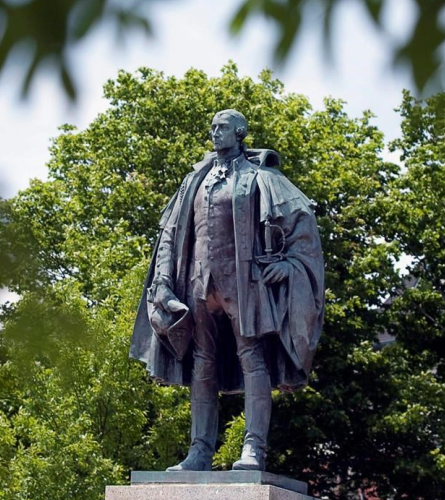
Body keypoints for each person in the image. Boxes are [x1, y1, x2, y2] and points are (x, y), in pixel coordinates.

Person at [129, 109, 324, 472]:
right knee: (202, 363)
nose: (215, 133)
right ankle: (199, 451)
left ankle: (253, 449)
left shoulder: (261, 177)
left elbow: (302, 223)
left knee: (253, 357)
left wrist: (291, 262)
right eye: (212, 128)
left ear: (240, 132)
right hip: (199, 283)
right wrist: (163, 279)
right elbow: (170, 232)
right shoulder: (194, 181)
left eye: (222, 128)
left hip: (245, 282)